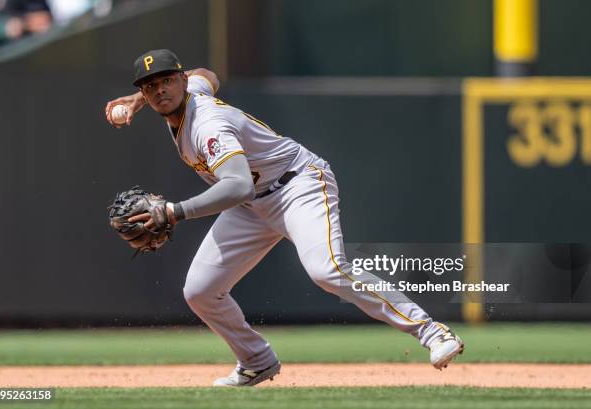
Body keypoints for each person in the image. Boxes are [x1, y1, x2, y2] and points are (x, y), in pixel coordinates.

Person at [105, 49, 465, 387]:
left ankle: (431, 331)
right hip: (253, 206)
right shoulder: (190, 90)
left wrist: (174, 211)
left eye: (167, 80)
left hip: (297, 186)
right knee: (200, 291)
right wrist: (136, 100)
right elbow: (207, 74)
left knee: (326, 270)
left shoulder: (208, 125)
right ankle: (257, 360)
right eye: (150, 86)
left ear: (180, 80)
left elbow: (239, 186)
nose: (159, 89)